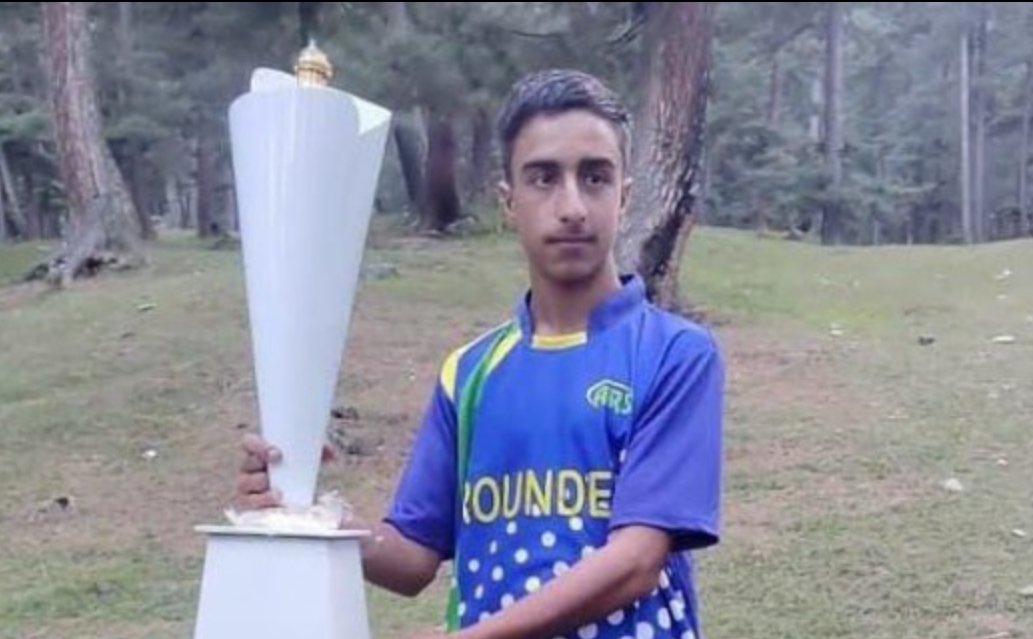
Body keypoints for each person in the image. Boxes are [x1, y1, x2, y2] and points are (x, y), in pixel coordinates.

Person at [238, 69, 724, 639]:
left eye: (595, 177)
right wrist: (306, 512)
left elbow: (636, 562)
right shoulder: (471, 373)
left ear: (625, 196)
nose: (572, 206)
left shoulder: (673, 355)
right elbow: (412, 556)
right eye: (543, 178)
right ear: (509, 201)